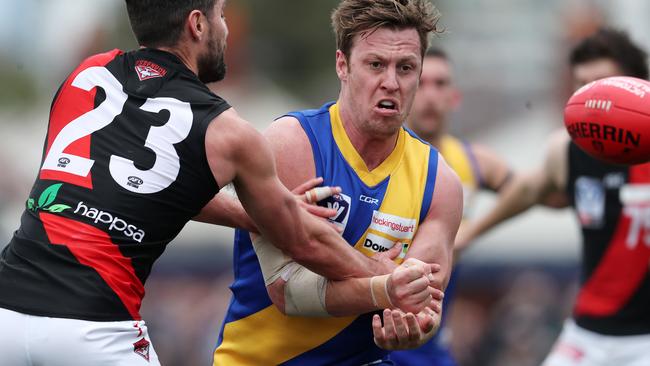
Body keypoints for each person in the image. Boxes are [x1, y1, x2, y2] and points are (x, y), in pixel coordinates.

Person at [0, 1, 406, 365]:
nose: (226, 29)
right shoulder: (227, 132)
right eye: (222, 15)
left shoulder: (85, 73)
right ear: (197, 24)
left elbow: (145, 187)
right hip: (95, 328)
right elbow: (304, 241)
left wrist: (255, 216)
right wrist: (382, 277)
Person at [212, 1, 464, 365]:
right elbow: (289, 292)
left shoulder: (440, 183)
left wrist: (413, 326)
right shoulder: (293, 142)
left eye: (406, 68)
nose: (391, 82)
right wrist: (386, 285)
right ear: (342, 65)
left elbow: (422, 307)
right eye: (375, 64)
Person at [458, 28, 650, 366]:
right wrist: (467, 235)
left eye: (603, 84)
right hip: (587, 333)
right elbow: (532, 190)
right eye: (584, 86)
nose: (595, 100)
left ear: (637, 85)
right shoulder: (566, 150)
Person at [391, 47, 513, 366]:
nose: (430, 95)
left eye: (440, 84)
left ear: (454, 97)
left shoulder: (473, 162)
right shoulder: (380, 159)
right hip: (376, 334)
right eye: (421, 83)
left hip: (432, 341)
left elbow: (532, 190)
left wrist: (472, 232)